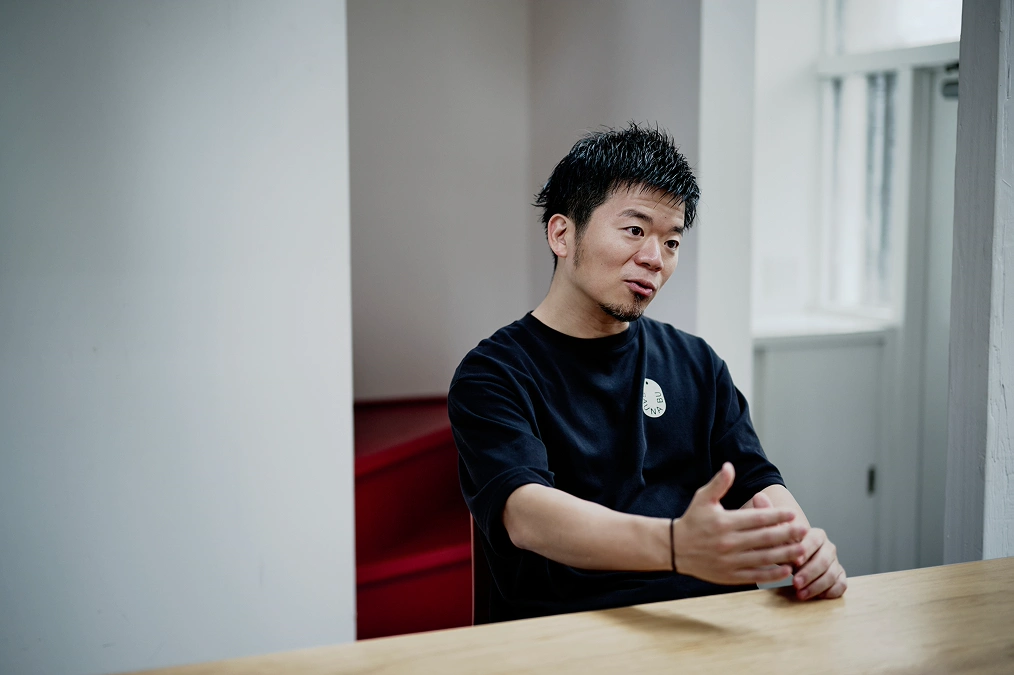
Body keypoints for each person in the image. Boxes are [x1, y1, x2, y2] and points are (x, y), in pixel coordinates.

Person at [448, 123, 846, 622]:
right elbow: (526, 514)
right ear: (562, 234)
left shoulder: (697, 363)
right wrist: (676, 546)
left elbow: (756, 482)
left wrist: (804, 546)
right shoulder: (494, 374)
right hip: (573, 630)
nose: (655, 259)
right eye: (635, 230)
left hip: (715, 622)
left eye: (672, 242)